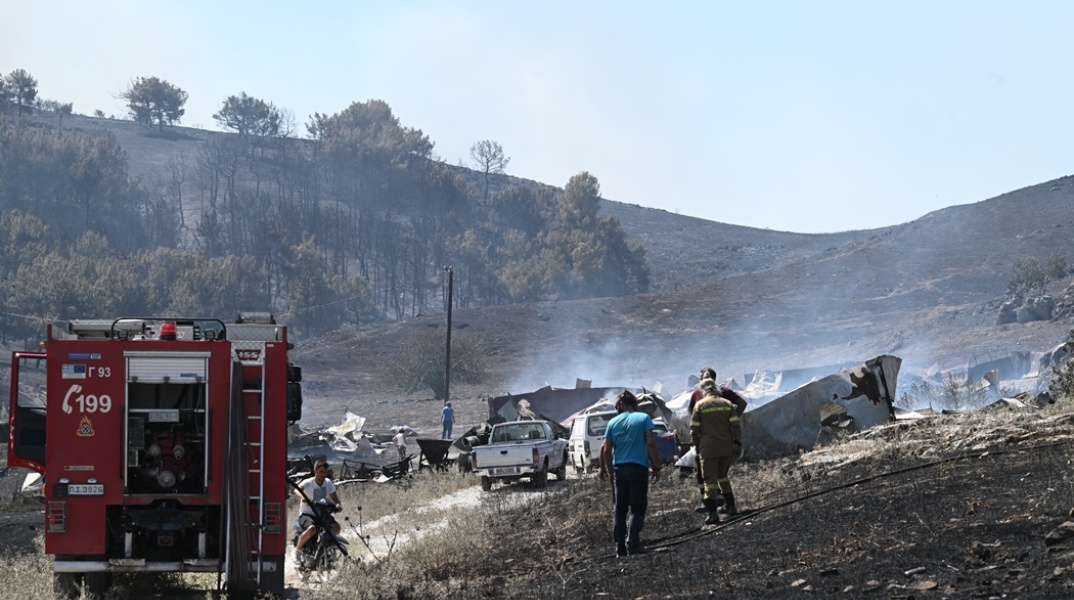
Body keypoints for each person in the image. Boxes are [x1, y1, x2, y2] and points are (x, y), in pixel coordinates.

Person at [599, 390, 662, 557]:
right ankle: (632, 543)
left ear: (620, 405)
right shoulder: (643, 418)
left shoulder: (612, 422)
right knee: (637, 507)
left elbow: (606, 450)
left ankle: (620, 549)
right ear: (634, 404)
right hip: (638, 469)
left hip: (619, 470)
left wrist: (609, 471)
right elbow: (650, 443)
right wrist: (656, 467)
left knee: (619, 510)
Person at [691, 378, 741, 525]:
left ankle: (713, 514)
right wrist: (737, 442)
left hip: (708, 448)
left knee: (709, 481)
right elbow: (735, 426)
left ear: (703, 390)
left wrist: (697, 445)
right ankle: (731, 507)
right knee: (723, 477)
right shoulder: (727, 404)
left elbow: (694, 429)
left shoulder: (700, 405)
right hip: (726, 447)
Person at [293, 459, 342, 561]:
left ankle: (325, 547)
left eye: (325, 472)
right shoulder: (308, 482)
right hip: (307, 514)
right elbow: (296, 490)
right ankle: (298, 550)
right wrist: (303, 498)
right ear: (315, 470)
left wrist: (337, 504)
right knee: (312, 529)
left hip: (322, 514)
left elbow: (334, 497)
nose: (323, 475)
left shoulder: (328, 483)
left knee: (336, 528)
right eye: (321, 472)